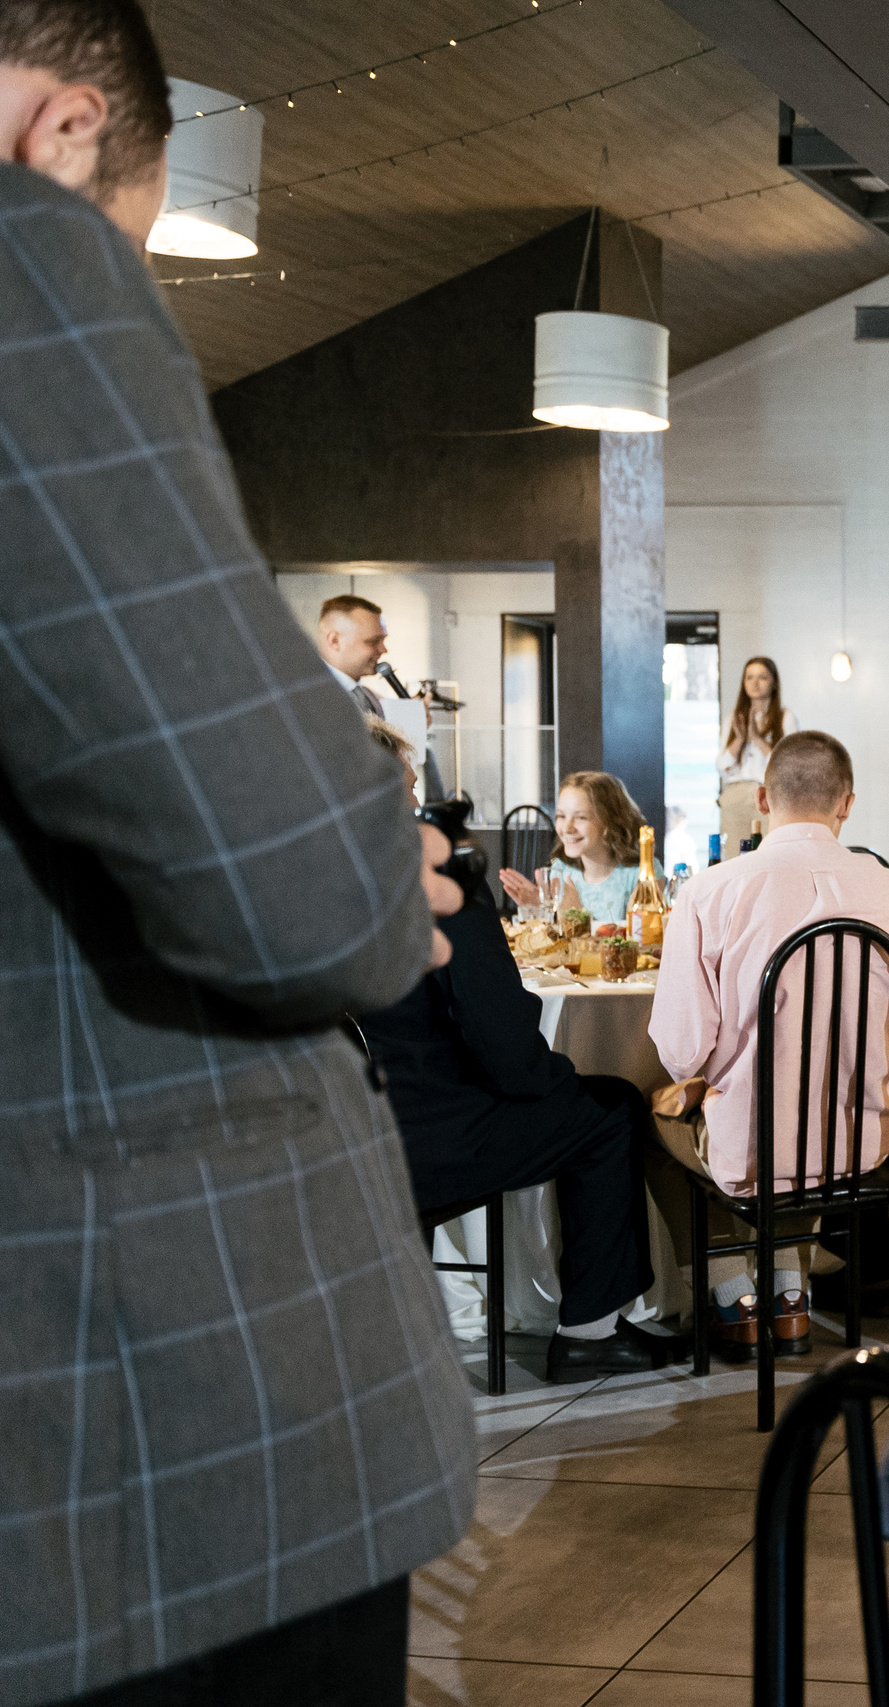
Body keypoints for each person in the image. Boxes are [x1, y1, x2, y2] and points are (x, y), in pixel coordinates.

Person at [1, 4, 475, 1697]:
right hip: (145, 1406)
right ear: (64, 137)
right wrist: (371, 855)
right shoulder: (20, 262)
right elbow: (289, 888)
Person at [647, 731, 889, 1357]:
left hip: (755, 1149)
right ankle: (791, 1294)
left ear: (762, 799)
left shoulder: (711, 890)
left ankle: (732, 1296)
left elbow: (682, 1048)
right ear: (846, 804)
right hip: (863, 1143)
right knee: (798, 1113)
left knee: (659, 1113)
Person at [361, 872, 669, 1384]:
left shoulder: (320, 874)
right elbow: (498, 1032)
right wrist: (553, 1079)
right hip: (436, 1140)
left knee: (592, 1100)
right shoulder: (439, 879)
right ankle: (590, 1335)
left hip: (357, 1133)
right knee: (610, 1111)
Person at [318, 592, 445, 800]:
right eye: (373, 641)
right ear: (334, 640)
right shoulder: (310, 699)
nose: (383, 649)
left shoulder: (369, 697)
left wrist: (414, 724)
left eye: (383, 640)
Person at [498, 768, 660, 925]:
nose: (567, 828)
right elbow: (563, 943)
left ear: (612, 821)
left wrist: (577, 914)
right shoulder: (560, 869)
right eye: (561, 816)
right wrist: (540, 912)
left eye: (581, 818)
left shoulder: (643, 874)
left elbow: (643, 945)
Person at [717, 654, 798, 851]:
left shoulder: (785, 717)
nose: (755, 683)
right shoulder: (733, 718)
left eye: (762, 677)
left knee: (770, 852)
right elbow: (722, 767)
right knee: (736, 856)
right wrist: (740, 738)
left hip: (769, 795)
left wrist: (756, 739)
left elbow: (789, 765)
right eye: (749, 677)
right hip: (735, 794)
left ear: (774, 683)